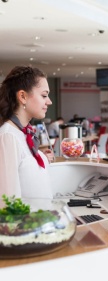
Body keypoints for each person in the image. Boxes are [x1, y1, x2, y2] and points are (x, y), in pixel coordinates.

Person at [0, 65, 54, 200]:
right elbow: (7, 200)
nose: (49, 101)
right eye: (44, 95)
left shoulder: (23, 132)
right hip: (27, 221)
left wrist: (42, 157)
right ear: (23, 96)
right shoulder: (8, 136)